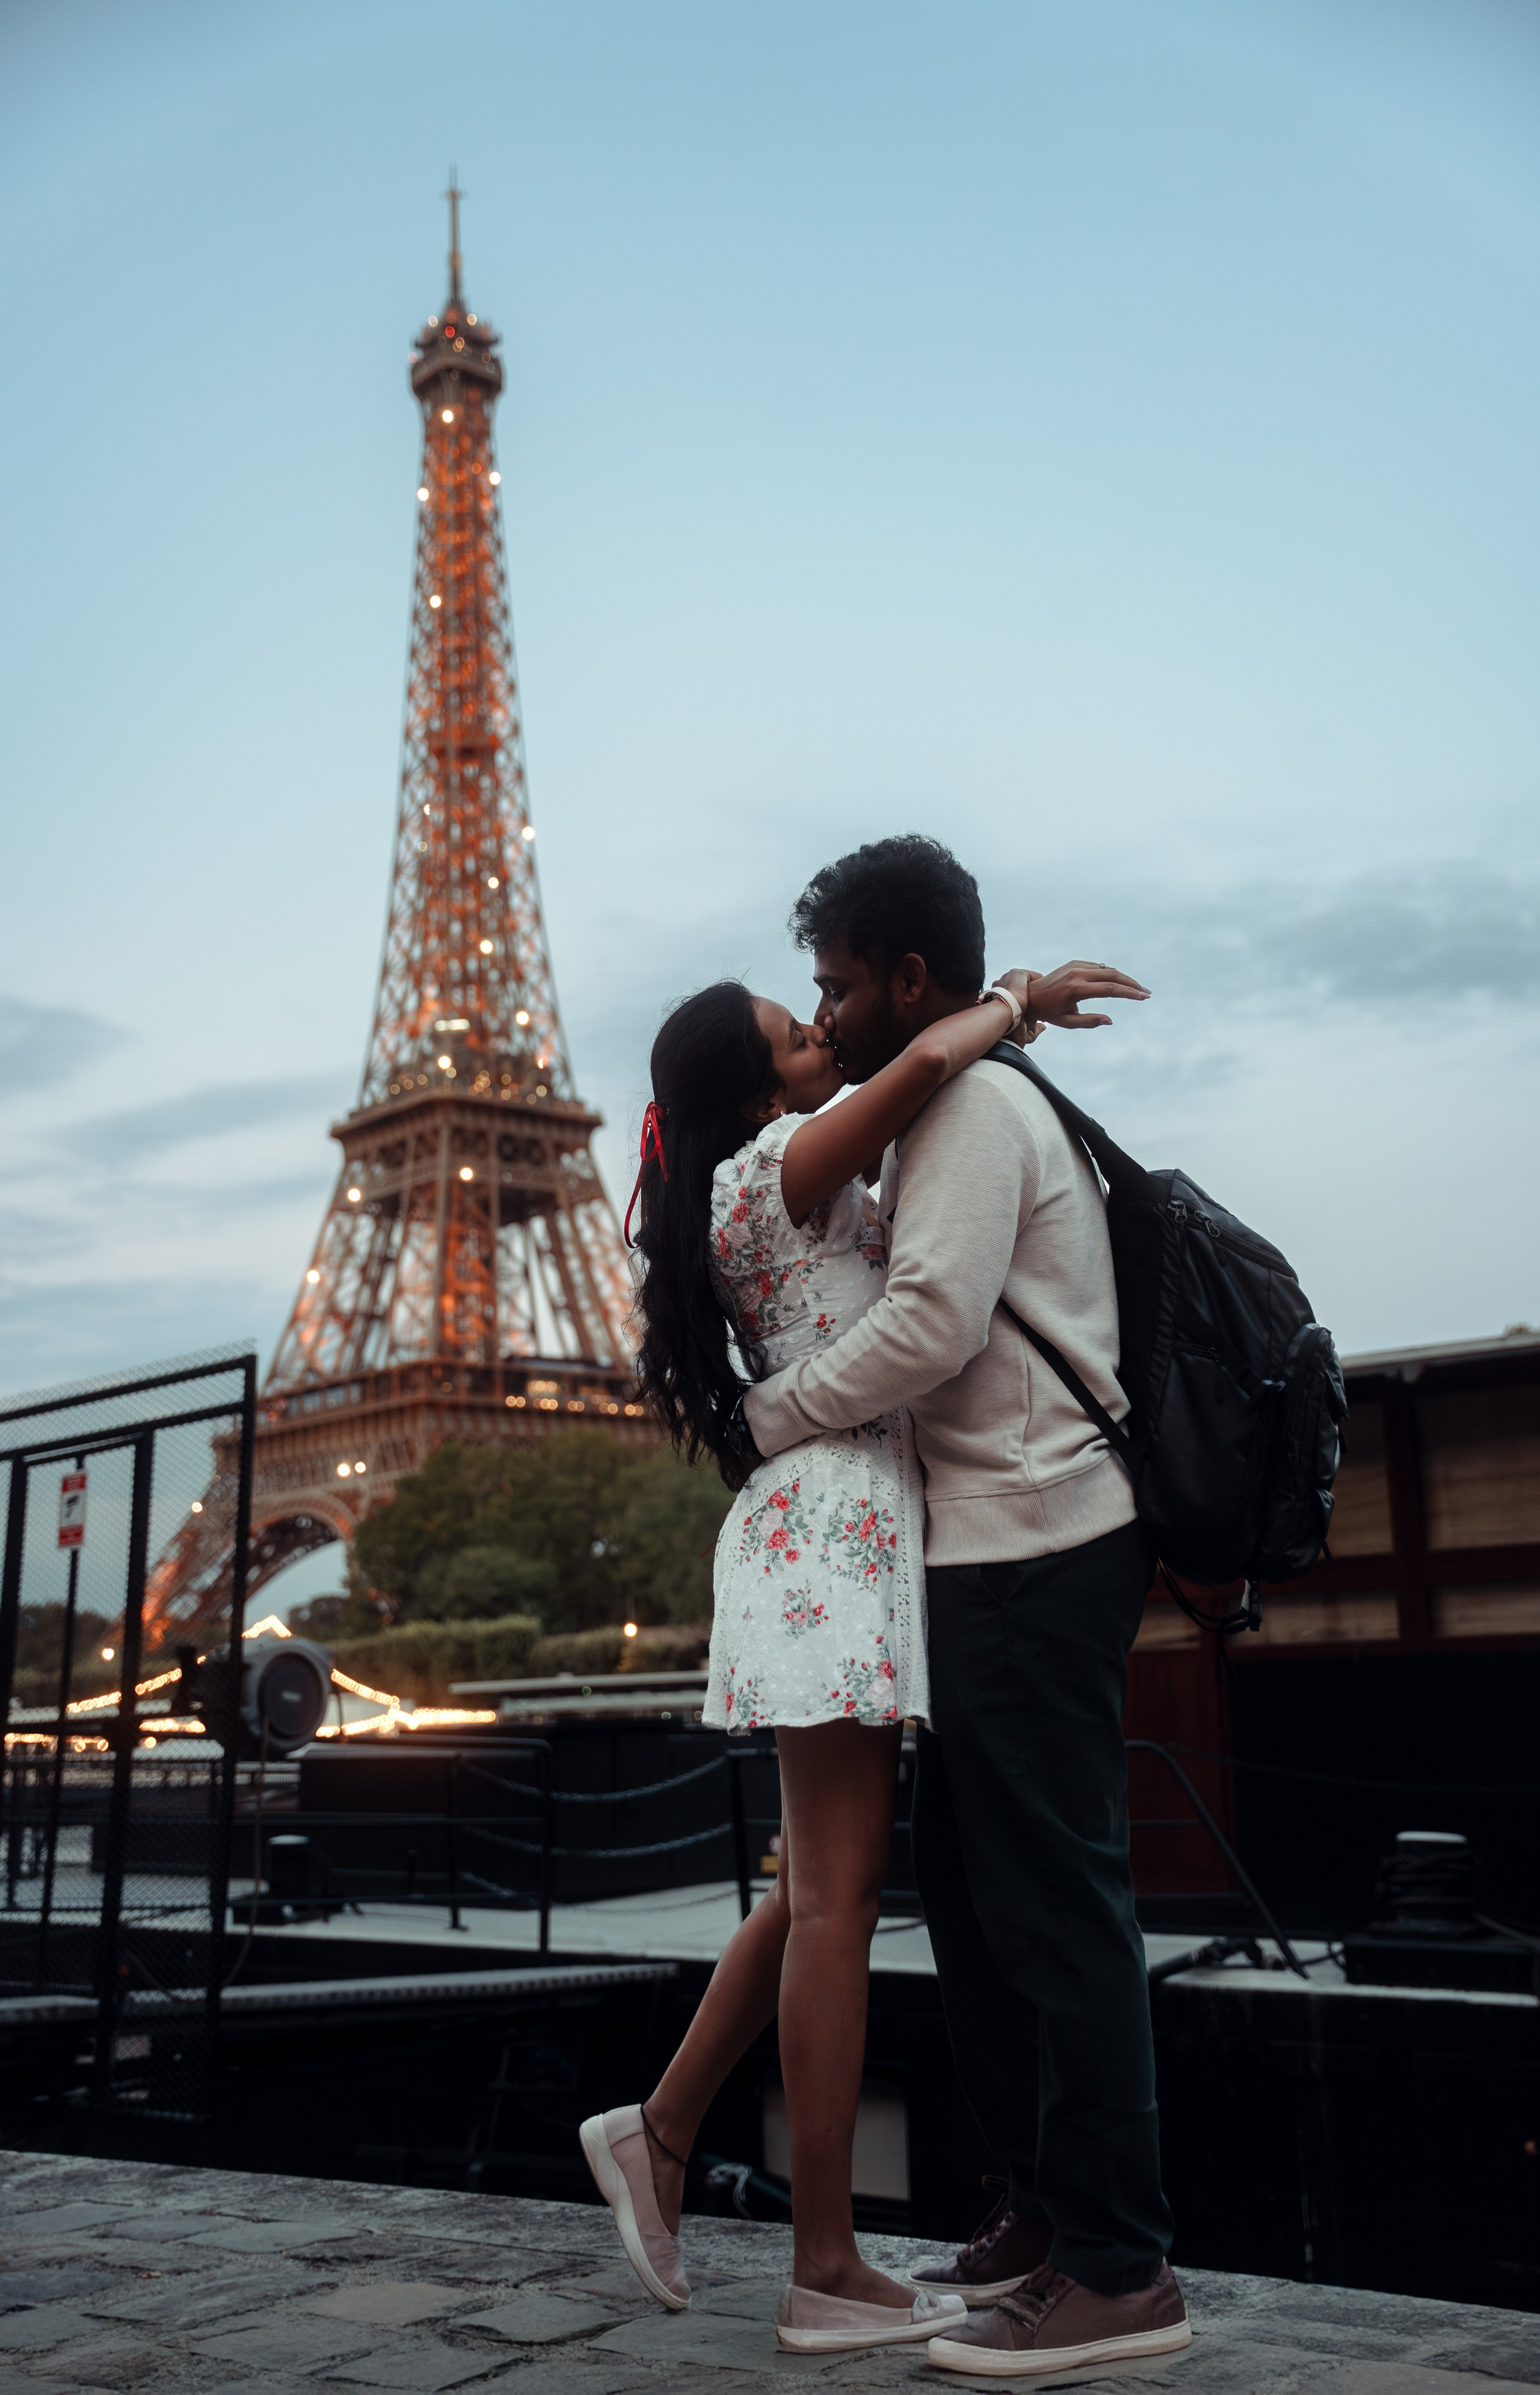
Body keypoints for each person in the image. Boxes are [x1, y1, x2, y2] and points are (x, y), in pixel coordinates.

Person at [579, 943, 1144, 2358]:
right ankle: (819, 2259)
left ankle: (658, 2130)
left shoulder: (751, 1183)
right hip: (830, 1526)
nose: (812, 1042)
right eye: (786, 1037)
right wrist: (1009, 1001)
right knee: (833, 1900)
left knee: (813, 1889)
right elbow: (915, 1070)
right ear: (750, 1087)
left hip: (827, 1531)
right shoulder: (768, 1168)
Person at [737, 835, 1194, 2382]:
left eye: (835, 987)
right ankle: (1048, 2222)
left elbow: (929, 1322)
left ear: (904, 983)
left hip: (1033, 1538)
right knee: (991, 1905)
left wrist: (775, 1412)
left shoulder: (971, 1111)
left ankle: (1121, 2269)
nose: (826, 1011)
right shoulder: (945, 1092)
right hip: (986, 1546)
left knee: (1055, 1903)